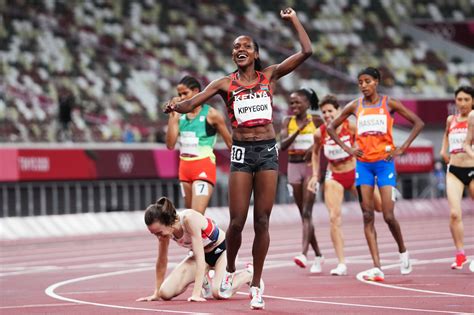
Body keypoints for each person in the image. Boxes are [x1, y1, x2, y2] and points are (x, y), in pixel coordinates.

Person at [164, 8, 312, 309]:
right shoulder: (224, 84)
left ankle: (256, 284)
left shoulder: (269, 75)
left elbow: (307, 51)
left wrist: (293, 19)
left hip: (268, 151)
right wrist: (175, 106)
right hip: (242, 154)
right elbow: (193, 101)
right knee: (236, 222)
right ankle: (230, 269)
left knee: (262, 220)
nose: (239, 50)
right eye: (235, 47)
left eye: (245, 46)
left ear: (256, 54)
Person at [326, 67, 424, 281]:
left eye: (367, 81)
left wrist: (403, 147)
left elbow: (418, 123)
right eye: (360, 82)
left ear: (376, 82)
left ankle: (402, 251)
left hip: (384, 164)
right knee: (367, 215)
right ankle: (377, 266)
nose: (363, 85)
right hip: (363, 165)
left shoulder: (389, 103)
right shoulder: (355, 105)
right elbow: (331, 127)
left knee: (388, 215)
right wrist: (348, 148)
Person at [307, 95, 382, 276]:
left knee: (378, 208)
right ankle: (341, 263)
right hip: (335, 175)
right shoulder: (320, 133)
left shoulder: (352, 126)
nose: (326, 115)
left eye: (330, 111)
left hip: (355, 171)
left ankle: (387, 193)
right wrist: (315, 175)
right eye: (323, 112)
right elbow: (315, 154)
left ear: (338, 111)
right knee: (334, 218)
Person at [136, 197, 252, 302]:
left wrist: (196, 294)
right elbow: (161, 261)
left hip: (222, 251)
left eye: (159, 232)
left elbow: (200, 258)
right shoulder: (165, 233)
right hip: (201, 257)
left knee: (219, 292)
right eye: (154, 234)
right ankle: (204, 279)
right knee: (165, 293)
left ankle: (248, 274)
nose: (159, 237)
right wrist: (156, 292)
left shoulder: (189, 219)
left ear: (168, 222)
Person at [166, 76, 232, 214]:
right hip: (184, 169)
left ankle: (217, 235)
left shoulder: (212, 114)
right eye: (179, 94)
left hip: (203, 166)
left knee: (196, 215)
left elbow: (230, 143)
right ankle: (208, 231)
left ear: (196, 91)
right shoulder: (179, 115)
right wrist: (173, 116)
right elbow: (170, 145)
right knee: (189, 217)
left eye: (185, 93)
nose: (181, 97)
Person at [280, 88, 324, 273]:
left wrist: (313, 147)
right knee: (303, 214)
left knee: (307, 211)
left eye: (298, 102)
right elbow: (282, 146)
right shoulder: (287, 121)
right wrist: (299, 129)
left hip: (310, 168)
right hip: (293, 167)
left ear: (307, 103)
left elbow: (326, 137)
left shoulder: (316, 120)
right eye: (292, 103)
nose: (294, 106)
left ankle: (304, 254)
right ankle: (319, 255)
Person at [440, 85, 474, 270]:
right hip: (454, 170)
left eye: (467, 100)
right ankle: (460, 253)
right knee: (454, 214)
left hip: (473, 168)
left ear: (473, 101)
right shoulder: (450, 119)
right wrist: (443, 150)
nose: (462, 103)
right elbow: (446, 135)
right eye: (459, 99)